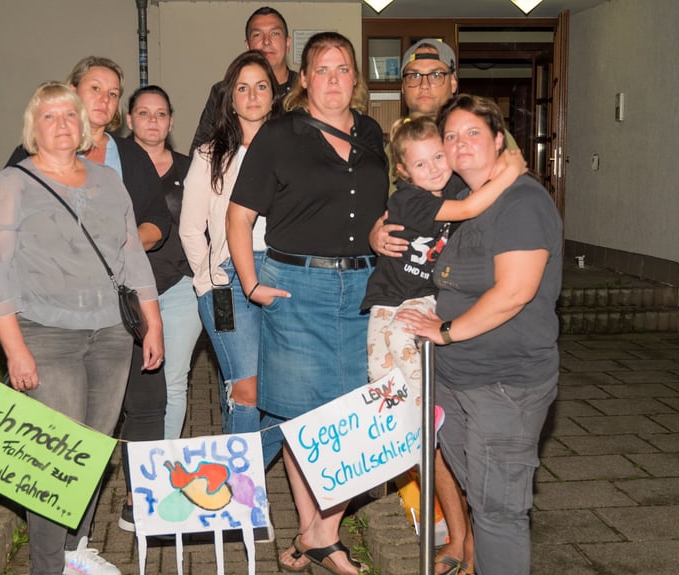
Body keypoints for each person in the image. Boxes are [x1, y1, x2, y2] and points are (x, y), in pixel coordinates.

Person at [0, 82, 163, 575]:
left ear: (83, 126)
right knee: (54, 457)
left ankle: (77, 551)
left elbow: (131, 255)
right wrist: (14, 350)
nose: (61, 124)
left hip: (111, 335)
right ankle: (48, 565)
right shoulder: (10, 184)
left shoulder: (107, 180)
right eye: (49, 116)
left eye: (69, 116)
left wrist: (153, 323)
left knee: (95, 448)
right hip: (45, 334)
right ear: (33, 128)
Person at [227, 32, 387, 575]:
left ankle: (318, 534)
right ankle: (322, 535)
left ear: (354, 78)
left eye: (344, 69)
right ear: (303, 78)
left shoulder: (371, 133)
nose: (334, 79)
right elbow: (239, 216)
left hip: (363, 288)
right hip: (297, 286)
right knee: (302, 414)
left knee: (352, 418)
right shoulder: (278, 135)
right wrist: (250, 284)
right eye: (323, 69)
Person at [5, 57, 173, 539]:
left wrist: (116, 247)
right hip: (52, 317)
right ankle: (59, 549)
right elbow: (8, 239)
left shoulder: (128, 156)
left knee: (130, 411)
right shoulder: (28, 155)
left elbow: (156, 223)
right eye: (95, 88)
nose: (104, 99)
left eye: (113, 92)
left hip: (118, 309)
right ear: (72, 91)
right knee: (63, 435)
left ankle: (125, 513)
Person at [397, 94, 562, 575]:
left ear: (498, 141)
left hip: (504, 384)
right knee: (483, 495)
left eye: (473, 133)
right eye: (450, 135)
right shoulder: (458, 205)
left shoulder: (522, 202)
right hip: (457, 381)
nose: (459, 143)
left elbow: (513, 293)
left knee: (499, 513)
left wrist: (447, 332)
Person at [362, 116, 525, 575]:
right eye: (421, 162)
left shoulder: (449, 186)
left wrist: (505, 166)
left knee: (407, 358)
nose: (434, 168)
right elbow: (472, 208)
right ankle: (408, 417)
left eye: (439, 157)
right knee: (382, 369)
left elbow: (476, 192)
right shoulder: (408, 199)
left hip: (423, 298)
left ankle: (421, 413)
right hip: (389, 301)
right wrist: (512, 171)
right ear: (403, 170)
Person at [179, 50, 281, 468]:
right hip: (227, 283)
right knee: (247, 389)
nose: (252, 95)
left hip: (281, 274)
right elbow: (189, 228)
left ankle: (231, 475)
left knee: (283, 396)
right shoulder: (209, 155)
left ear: (273, 96)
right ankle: (241, 495)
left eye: (261, 86)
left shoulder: (292, 152)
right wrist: (208, 282)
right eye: (243, 87)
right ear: (230, 98)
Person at [116, 85, 204, 533]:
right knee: (125, 390)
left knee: (170, 378)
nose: (152, 121)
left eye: (161, 114)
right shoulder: (112, 164)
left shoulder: (191, 170)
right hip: (122, 292)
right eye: (143, 113)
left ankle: (156, 484)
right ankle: (127, 477)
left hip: (177, 288)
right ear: (129, 119)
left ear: (171, 122)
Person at [189, 6, 299, 153]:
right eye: (257, 35)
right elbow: (200, 151)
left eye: (275, 33)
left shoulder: (306, 89)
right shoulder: (224, 91)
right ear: (247, 46)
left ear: (288, 43)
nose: (266, 42)